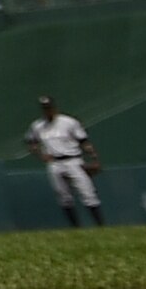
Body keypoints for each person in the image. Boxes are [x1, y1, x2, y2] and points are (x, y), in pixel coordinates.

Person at [28, 95, 102, 228]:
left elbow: (84, 141)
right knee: (63, 196)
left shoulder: (68, 122)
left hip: (73, 160)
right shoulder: (38, 126)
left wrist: (94, 158)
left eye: (49, 107)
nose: (47, 110)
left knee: (87, 193)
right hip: (54, 163)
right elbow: (32, 143)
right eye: (45, 108)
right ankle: (76, 228)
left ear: (54, 108)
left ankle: (100, 226)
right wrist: (40, 155)